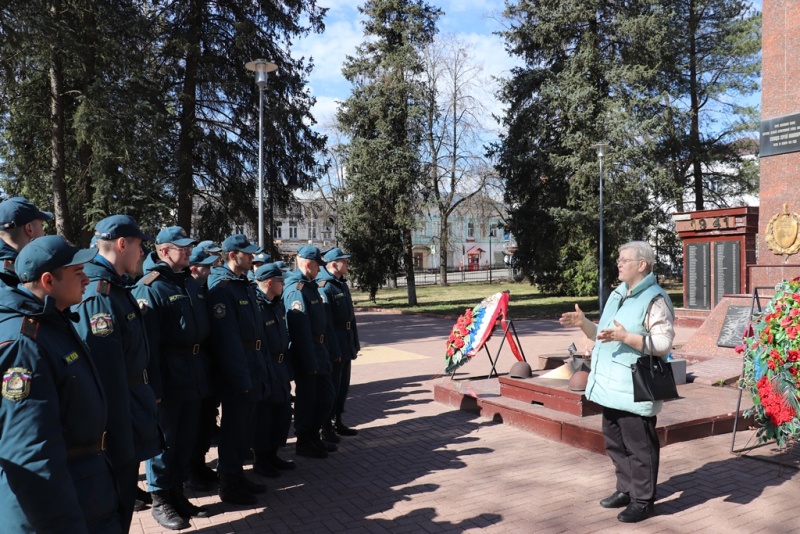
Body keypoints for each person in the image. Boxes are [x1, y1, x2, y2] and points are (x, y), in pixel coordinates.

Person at [0, 236, 121, 533]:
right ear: (48, 281)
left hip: (85, 485)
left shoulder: (53, 322)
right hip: (63, 502)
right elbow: (31, 451)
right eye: (77, 271)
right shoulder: (24, 343)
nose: (86, 278)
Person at [559, 241, 674, 523]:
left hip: (634, 387)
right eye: (619, 259)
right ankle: (625, 489)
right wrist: (584, 323)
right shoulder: (618, 294)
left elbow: (663, 343)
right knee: (615, 444)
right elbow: (603, 333)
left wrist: (626, 338)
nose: (619, 263)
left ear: (642, 265)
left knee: (640, 448)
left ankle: (643, 501)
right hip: (611, 386)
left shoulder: (655, 299)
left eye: (625, 260)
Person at [73, 215, 161, 532]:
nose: (142, 253)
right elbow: (106, 377)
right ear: (122, 244)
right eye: (139, 245)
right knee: (115, 507)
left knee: (122, 502)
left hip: (132, 410)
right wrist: (121, 440)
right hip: (118, 422)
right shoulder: (100, 295)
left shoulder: (116, 288)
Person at [132, 227, 212, 529]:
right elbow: (148, 344)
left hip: (194, 369)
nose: (188, 251)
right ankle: (160, 498)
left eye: (189, 246)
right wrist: (154, 384)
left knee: (186, 438)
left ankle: (177, 492)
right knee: (164, 441)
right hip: (168, 372)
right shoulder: (151, 287)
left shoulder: (188, 282)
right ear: (164, 251)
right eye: (182, 247)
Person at [207, 234, 269, 505]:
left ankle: (237, 476)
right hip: (238, 369)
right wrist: (240, 377)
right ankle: (228, 483)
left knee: (245, 427)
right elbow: (227, 340)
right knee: (233, 430)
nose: (253, 257)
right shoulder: (222, 288)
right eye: (248, 253)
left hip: (252, 363)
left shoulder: (243, 285)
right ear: (233, 256)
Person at [283, 245, 336, 458]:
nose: (320, 270)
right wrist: (309, 361)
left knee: (325, 396)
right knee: (308, 399)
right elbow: (299, 330)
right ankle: (305, 440)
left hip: (318, 349)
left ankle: (313, 435)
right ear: (308, 264)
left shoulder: (310, 286)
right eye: (318, 266)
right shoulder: (297, 289)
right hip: (308, 352)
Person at [252, 263, 295, 477]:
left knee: (282, 414)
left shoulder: (276, 303)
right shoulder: (257, 306)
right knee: (265, 417)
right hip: (266, 368)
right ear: (269, 282)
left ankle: (273, 454)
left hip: (280, 366)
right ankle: (262, 459)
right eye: (280, 281)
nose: (284, 284)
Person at [186, 243, 222, 491]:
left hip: (206, 366)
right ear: (194, 268)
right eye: (207, 266)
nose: (211, 270)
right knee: (190, 426)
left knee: (205, 421)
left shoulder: (201, 289)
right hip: (187, 368)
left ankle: (198, 465)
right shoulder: (188, 288)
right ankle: (189, 473)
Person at [317, 247, 360, 441]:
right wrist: (334, 350)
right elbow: (327, 325)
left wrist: (355, 343)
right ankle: (325, 427)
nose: (348, 265)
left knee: (343, 387)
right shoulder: (325, 286)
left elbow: (351, 318)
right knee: (332, 388)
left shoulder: (341, 284)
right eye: (345, 261)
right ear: (334, 264)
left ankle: (338, 421)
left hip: (346, 341)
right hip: (336, 344)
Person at [0, 197, 53, 288]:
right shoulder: (13, 276)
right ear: (29, 229)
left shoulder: (12, 269)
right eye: (41, 226)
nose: (44, 232)